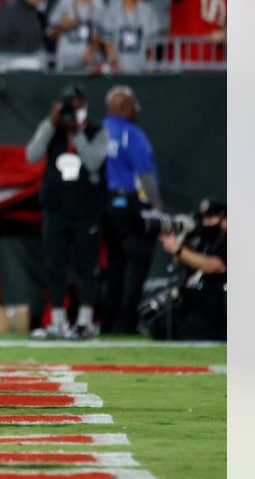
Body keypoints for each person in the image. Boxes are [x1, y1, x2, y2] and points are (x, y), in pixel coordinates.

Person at [25, 85, 108, 339]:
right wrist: (51, 124)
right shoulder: (52, 129)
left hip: (85, 208)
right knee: (54, 265)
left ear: (84, 104)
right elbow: (31, 155)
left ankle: (84, 321)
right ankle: (57, 321)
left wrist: (77, 134)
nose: (72, 110)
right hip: (56, 207)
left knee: (86, 265)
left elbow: (94, 161)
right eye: (68, 105)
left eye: (76, 104)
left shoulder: (97, 131)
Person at [101, 85, 162, 334]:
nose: (138, 108)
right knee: (136, 264)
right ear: (124, 107)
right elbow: (145, 175)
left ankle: (107, 322)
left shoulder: (99, 132)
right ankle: (126, 324)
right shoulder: (132, 134)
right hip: (131, 205)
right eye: (134, 103)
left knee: (113, 266)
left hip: (105, 206)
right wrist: (157, 207)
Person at [155, 199, 226, 341]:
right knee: (162, 327)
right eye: (204, 218)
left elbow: (214, 266)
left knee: (190, 333)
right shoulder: (202, 239)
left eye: (210, 218)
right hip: (191, 298)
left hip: (216, 301)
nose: (206, 223)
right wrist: (182, 239)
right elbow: (177, 263)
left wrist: (178, 250)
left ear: (224, 220)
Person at [47, 0, 104, 72]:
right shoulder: (64, 3)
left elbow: (102, 34)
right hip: (66, 60)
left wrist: (93, 49)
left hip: (90, 62)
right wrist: (62, 27)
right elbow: (50, 34)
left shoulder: (99, 5)